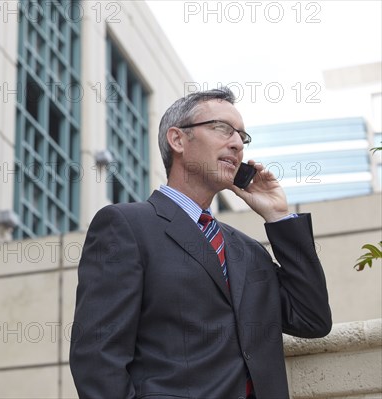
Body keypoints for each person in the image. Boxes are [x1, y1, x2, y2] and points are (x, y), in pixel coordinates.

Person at [69, 87, 332, 399]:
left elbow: (312, 318)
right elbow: (97, 357)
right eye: (222, 128)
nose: (236, 143)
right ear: (178, 139)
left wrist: (278, 217)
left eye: (242, 137)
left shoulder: (247, 250)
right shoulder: (125, 226)